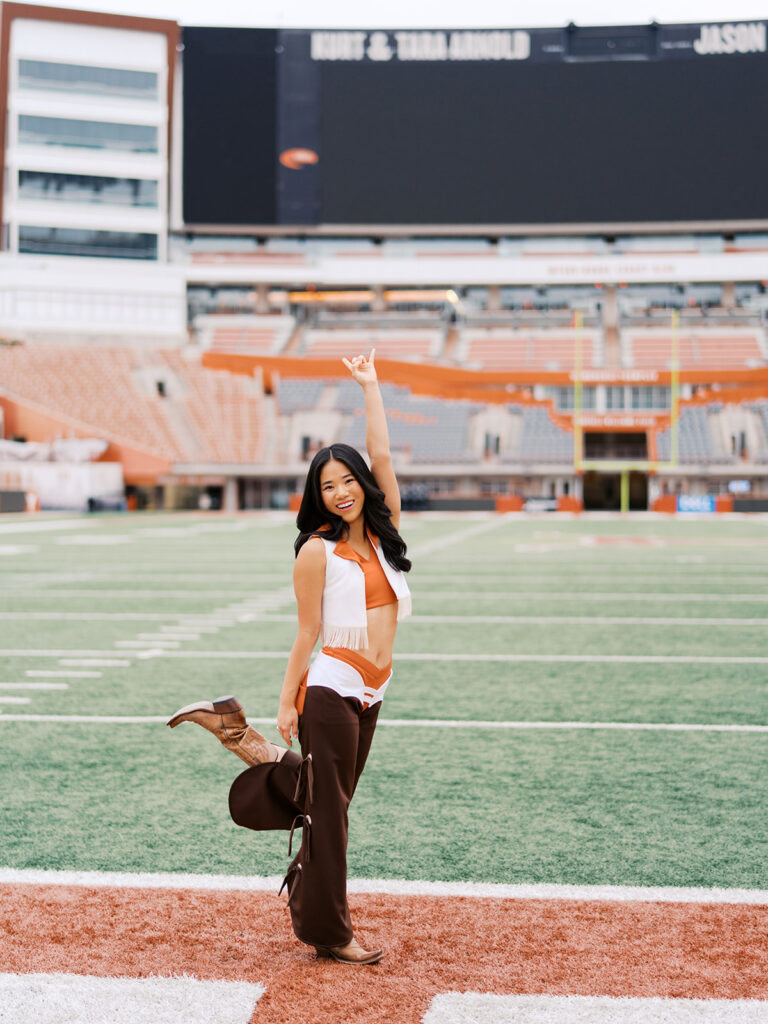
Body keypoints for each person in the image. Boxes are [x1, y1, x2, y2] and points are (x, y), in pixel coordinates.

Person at [167, 351, 411, 965]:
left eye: (348, 481)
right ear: (318, 496)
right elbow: (306, 633)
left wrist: (371, 386)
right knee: (330, 818)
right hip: (330, 684)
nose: (341, 492)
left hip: (374, 690)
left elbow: (382, 454)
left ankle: (234, 733)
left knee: (330, 800)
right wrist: (287, 701)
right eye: (327, 487)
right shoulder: (316, 553)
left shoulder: (383, 537)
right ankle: (330, 930)